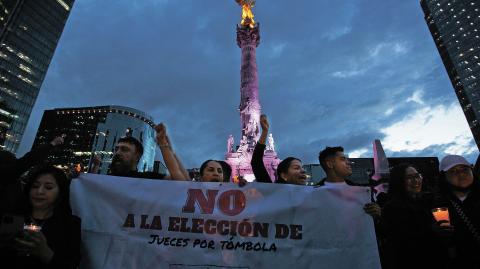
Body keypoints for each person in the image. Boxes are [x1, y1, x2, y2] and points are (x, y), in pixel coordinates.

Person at [2, 165, 81, 268]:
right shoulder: (10, 217)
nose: (39, 191)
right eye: (35, 186)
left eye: (48, 187)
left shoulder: (70, 224)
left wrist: (45, 252)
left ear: (60, 192)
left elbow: (72, 264)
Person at [381, 163, 447, 269]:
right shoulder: (392, 208)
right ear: (399, 181)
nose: (415, 181)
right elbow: (401, 241)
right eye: (409, 178)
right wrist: (432, 229)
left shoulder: (430, 201)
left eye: (417, 176)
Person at [435, 155, 480, 268]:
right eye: (453, 171)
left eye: (465, 169)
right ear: (444, 177)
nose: (461, 174)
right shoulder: (437, 206)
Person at [104, 123, 189, 180]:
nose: (118, 153)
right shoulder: (103, 180)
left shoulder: (146, 179)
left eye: (124, 149)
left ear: (137, 156)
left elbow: (182, 181)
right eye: (116, 149)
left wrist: (166, 146)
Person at [316, 146, 381, 218]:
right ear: (330, 164)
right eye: (343, 159)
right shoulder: (313, 195)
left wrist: (376, 213)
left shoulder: (362, 192)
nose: (349, 163)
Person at [251, 114, 306, 184]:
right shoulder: (273, 191)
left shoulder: (314, 192)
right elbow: (256, 162)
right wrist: (265, 132)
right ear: (284, 176)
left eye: (302, 168)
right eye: (296, 168)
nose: (303, 171)